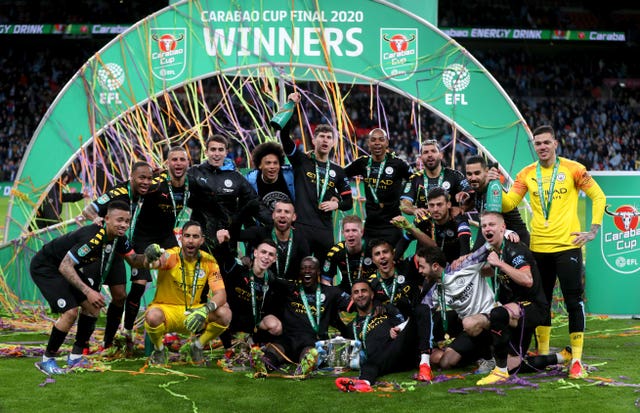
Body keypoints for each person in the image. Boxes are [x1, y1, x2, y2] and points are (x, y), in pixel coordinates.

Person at [498, 125, 606, 379]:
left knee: (572, 302)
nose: (542, 147)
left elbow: (598, 197)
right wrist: (494, 184)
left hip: (567, 246)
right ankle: (544, 354)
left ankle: (576, 359)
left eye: (547, 142)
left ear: (555, 143)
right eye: (538, 144)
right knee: (541, 303)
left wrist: (593, 231)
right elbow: (508, 203)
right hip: (539, 249)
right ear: (533, 146)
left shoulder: (573, 169)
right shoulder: (526, 174)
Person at [31, 201, 155, 374]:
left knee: (93, 307)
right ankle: (46, 360)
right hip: (48, 267)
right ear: (107, 219)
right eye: (120, 220)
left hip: (65, 267)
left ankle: (75, 357)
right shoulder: (93, 238)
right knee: (71, 312)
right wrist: (88, 291)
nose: (124, 225)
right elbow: (65, 266)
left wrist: (151, 258)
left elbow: (134, 260)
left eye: (127, 221)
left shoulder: (119, 238)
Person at [82, 161, 154, 351]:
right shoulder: (117, 192)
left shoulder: (143, 194)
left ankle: (107, 343)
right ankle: (82, 344)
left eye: (149, 178)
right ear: (131, 177)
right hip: (98, 249)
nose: (146, 182)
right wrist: (95, 219)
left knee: (120, 296)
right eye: (142, 178)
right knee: (92, 300)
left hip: (119, 247)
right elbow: (88, 210)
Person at [124, 146, 191, 346]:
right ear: (167, 164)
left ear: (188, 163)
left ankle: (172, 328)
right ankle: (126, 331)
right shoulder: (155, 185)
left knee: (179, 280)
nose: (178, 163)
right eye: (174, 159)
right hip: (143, 238)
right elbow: (131, 188)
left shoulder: (191, 185)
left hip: (167, 238)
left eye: (182, 159)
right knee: (139, 286)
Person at [144, 220, 231, 365]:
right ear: (181, 238)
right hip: (167, 312)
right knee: (152, 316)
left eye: (195, 237)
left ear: (202, 240)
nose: (190, 241)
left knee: (225, 313)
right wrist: (149, 258)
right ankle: (159, 349)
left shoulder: (209, 262)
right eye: (187, 236)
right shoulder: (171, 256)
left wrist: (205, 310)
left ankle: (196, 346)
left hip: (193, 313)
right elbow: (152, 264)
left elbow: (221, 294)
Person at [278, 92, 353, 258]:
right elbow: (284, 136)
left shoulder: (338, 171)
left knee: (326, 273)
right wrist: (290, 105)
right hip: (301, 226)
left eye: (328, 138)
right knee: (300, 271)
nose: (325, 141)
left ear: (333, 143)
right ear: (314, 140)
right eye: (321, 137)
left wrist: (336, 205)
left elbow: (348, 202)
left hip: (324, 229)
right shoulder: (301, 160)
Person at [253, 256, 351, 377]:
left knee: (309, 356)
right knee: (272, 354)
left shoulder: (331, 292)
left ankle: (305, 366)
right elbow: (267, 277)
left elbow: (354, 303)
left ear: (318, 271)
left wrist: (377, 304)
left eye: (311, 268)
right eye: (303, 268)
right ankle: (263, 364)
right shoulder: (289, 288)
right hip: (287, 339)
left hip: (311, 340)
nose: (307, 271)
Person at [187, 134, 272, 261]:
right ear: (206, 152)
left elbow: (255, 203)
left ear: (226, 152)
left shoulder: (236, 178)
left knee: (225, 278)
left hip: (227, 239)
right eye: (213, 149)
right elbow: (176, 183)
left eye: (220, 150)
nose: (216, 154)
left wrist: (275, 222)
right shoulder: (194, 173)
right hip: (201, 240)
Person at [335, 279, 421, 392]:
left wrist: (398, 329)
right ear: (352, 298)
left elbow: (405, 323)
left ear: (372, 294)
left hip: (400, 348)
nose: (360, 295)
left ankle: (425, 362)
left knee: (421, 309)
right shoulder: (351, 327)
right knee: (370, 362)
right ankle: (363, 383)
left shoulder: (386, 310)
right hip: (380, 360)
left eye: (363, 291)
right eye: (356, 292)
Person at [344, 128, 412, 246]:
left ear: (387, 143)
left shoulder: (398, 163)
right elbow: (340, 174)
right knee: (369, 262)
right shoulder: (362, 163)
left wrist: (406, 196)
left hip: (392, 224)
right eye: (373, 140)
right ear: (368, 143)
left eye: (381, 139)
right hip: (371, 225)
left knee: (394, 262)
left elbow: (415, 180)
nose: (377, 143)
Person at [218, 240, 282, 358]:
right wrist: (224, 242)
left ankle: (254, 343)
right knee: (222, 309)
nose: (266, 257)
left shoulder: (272, 281)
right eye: (263, 252)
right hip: (230, 320)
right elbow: (225, 257)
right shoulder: (238, 269)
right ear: (255, 253)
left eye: (271, 254)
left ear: (275, 259)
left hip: (252, 324)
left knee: (276, 325)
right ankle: (227, 345)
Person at [464, 155, 530, 249]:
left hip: (516, 241)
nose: (473, 178)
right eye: (469, 174)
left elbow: (487, 222)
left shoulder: (493, 191)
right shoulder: (478, 190)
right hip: (501, 241)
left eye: (477, 173)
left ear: (487, 172)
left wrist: (473, 253)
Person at [394, 187, 471, 263]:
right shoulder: (423, 219)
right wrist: (393, 260)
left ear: (448, 204)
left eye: (439, 204)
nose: (435, 209)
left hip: (455, 262)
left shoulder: (457, 216)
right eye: (431, 205)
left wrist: (462, 262)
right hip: (431, 264)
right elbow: (404, 240)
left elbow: (464, 239)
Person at [238, 199, 309, 281]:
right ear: (273, 215)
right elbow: (234, 234)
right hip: (264, 287)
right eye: (279, 211)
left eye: (287, 212)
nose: (282, 215)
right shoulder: (260, 233)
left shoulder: (301, 240)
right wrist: (245, 211)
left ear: (294, 217)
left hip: (289, 289)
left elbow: (305, 270)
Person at [400, 138, 471, 218]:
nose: (430, 155)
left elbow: (471, 195)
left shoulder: (455, 176)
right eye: (426, 152)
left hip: (451, 225)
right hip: (425, 225)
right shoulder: (415, 179)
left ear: (441, 155)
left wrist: (462, 208)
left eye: (433, 151)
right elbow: (404, 203)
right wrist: (414, 210)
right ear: (421, 157)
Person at [321, 215, 376, 293]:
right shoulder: (336, 251)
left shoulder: (372, 249)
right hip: (346, 290)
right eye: (347, 231)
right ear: (343, 233)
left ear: (362, 232)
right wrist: (334, 295)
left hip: (369, 289)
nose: (350, 234)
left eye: (354, 230)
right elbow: (325, 280)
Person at [368, 239, 421, 320]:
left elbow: (431, 248)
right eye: (377, 254)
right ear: (373, 260)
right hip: (391, 326)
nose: (382, 256)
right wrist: (375, 303)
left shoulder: (407, 267)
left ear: (393, 254)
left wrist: (412, 231)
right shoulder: (371, 284)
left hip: (415, 318)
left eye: (385, 252)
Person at [245, 141, 295, 211]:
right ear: (259, 165)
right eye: (268, 163)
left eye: (275, 163)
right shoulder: (250, 181)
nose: (272, 166)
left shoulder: (290, 176)